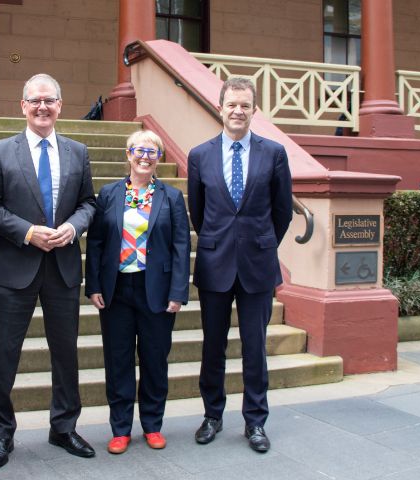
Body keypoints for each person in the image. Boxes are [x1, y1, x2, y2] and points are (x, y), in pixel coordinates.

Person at [0, 73, 97, 468]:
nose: (42, 107)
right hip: (15, 268)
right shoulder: (0, 151)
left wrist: (73, 226)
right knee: (2, 355)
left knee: (65, 354)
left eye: (50, 100)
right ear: (23, 106)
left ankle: (63, 427)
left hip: (62, 268)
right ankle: (0, 435)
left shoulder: (78, 151)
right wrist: (27, 232)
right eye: (35, 100)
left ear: (60, 106)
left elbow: (89, 203)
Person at [187, 77, 293, 453]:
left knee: (254, 347)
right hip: (215, 265)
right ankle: (212, 415)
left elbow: (282, 212)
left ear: (254, 110)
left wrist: (260, 243)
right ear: (220, 107)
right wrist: (221, 242)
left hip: (258, 265)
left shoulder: (274, 153)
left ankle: (255, 422)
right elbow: (197, 213)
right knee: (212, 347)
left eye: (245, 105)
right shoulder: (199, 155)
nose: (238, 111)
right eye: (232, 104)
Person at [85, 130, 190, 454]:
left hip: (155, 289)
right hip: (117, 290)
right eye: (139, 151)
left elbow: (181, 246)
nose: (145, 157)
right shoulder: (109, 194)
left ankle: (153, 425)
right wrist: (94, 286)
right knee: (117, 361)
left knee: (155, 360)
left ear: (158, 158)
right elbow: (97, 242)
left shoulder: (171, 197)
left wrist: (178, 292)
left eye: (152, 152)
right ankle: (120, 429)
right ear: (128, 154)